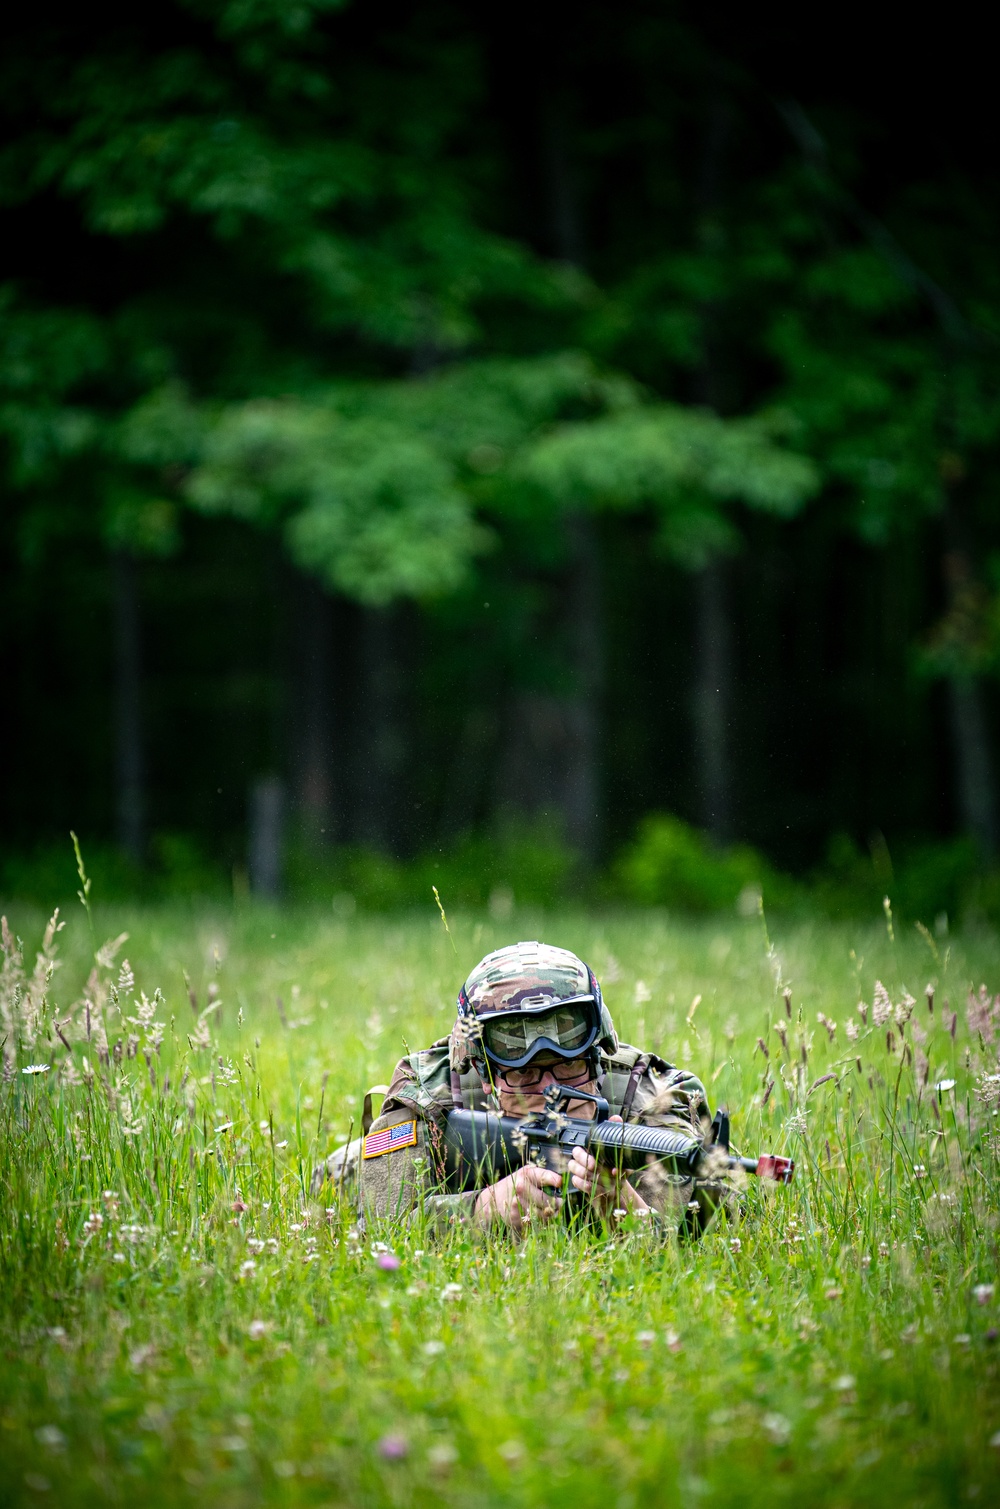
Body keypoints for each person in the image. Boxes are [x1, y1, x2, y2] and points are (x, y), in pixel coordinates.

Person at [344, 940, 730, 1237]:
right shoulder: (431, 1095)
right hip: (351, 1166)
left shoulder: (650, 1094)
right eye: (524, 1075)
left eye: (567, 1067)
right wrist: (482, 1210)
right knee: (338, 1171)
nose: (551, 1092)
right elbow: (380, 1229)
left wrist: (625, 1207)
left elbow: (726, 1217)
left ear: (596, 1056)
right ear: (485, 1072)